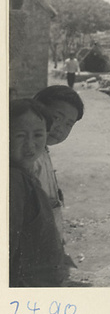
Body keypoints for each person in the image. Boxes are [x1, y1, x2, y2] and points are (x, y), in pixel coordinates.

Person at [9, 99, 67, 287]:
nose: (30, 145)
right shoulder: (13, 182)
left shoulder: (26, 175)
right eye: (20, 136)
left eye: (38, 135)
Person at [32, 86, 85, 243]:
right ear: (36, 110)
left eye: (69, 124)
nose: (60, 128)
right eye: (56, 118)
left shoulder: (43, 150)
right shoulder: (28, 158)